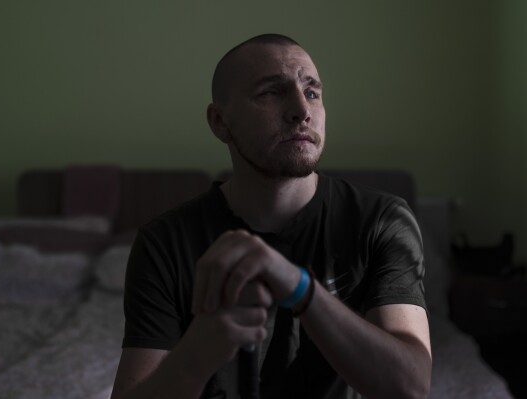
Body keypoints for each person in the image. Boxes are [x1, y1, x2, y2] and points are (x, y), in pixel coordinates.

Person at [110, 33, 431, 399]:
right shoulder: (165, 242)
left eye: (312, 92)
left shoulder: (382, 220)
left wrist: (299, 287)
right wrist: (195, 357)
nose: (301, 110)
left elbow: (411, 388)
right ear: (220, 122)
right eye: (271, 93)